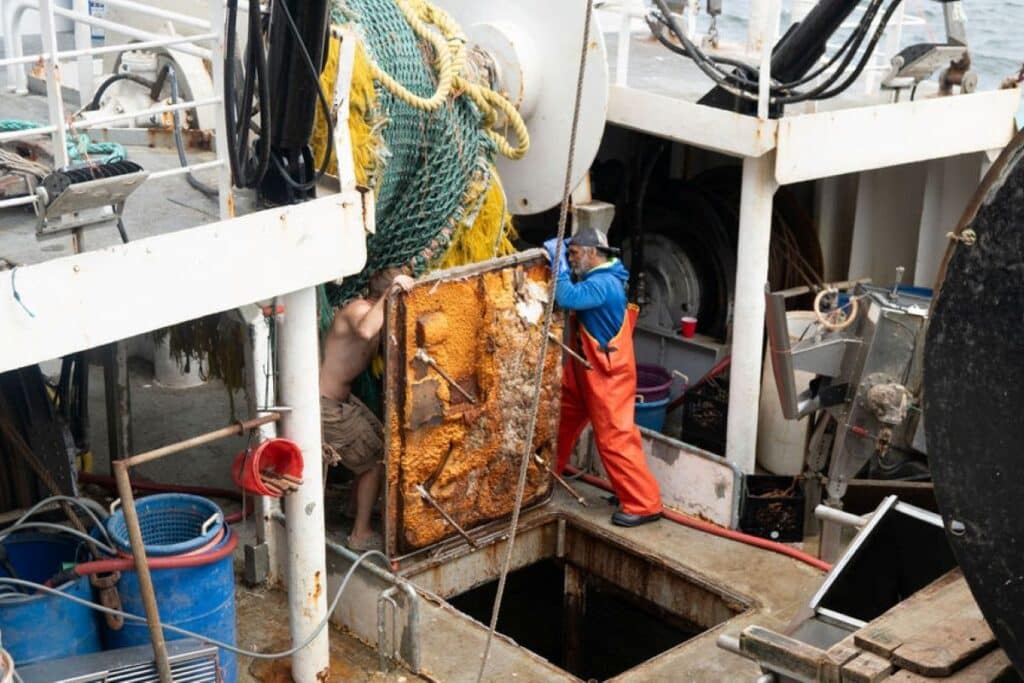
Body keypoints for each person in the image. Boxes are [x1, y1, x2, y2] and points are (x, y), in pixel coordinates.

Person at [545, 228, 663, 527]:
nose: (571, 261)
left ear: (592, 252)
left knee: (614, 437)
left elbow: (566, 296)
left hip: (608, 376)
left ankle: (643, 503)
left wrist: (556, 264)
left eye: (573, 255)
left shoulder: (604, 284)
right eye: (568, 256)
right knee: (559, 424)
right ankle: (543, 479)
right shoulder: (600, 277)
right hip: (586, 370)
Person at [320, 268, 414, 550]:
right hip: (325, 405)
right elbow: (364, 331)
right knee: (374, 461)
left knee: (380, 438)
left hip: (342, 401)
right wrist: (392, 292)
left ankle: (353, 508)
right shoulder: (358, 311)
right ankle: (359, 534)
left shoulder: (378, 315)